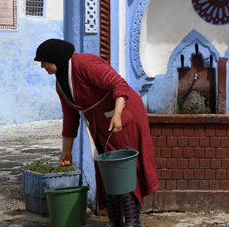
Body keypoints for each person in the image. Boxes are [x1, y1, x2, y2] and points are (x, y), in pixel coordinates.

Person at [34, 38, 158, 227]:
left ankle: (133, 220)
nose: (43, 66)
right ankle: (115, 220)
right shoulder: (61, 85)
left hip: (124, 113)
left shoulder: (85, 64)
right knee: (106, 169)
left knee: (122, 167)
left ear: (54, 57)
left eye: (44, 61)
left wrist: (117, 114)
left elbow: (119, 85)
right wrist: (65, 151)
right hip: (100, 123)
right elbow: (70, 117)